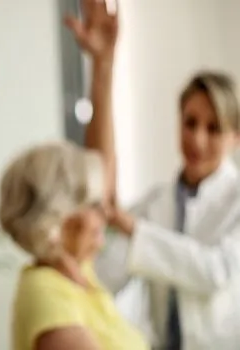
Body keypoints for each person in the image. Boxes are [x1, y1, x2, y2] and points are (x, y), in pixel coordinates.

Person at [0, 2, 148, 349]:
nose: (105, 212)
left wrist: (103, 65)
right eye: (92, 204)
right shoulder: (44, 293)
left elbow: (101, 169)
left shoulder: (80, 274)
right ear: (55, 219)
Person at [94, 49, 240, 350]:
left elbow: (215, 272)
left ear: (235, 137)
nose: (197, 139)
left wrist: (135, 231)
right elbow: (105, 274)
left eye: (214, 129)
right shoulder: (154, 203)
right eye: (190, 123)